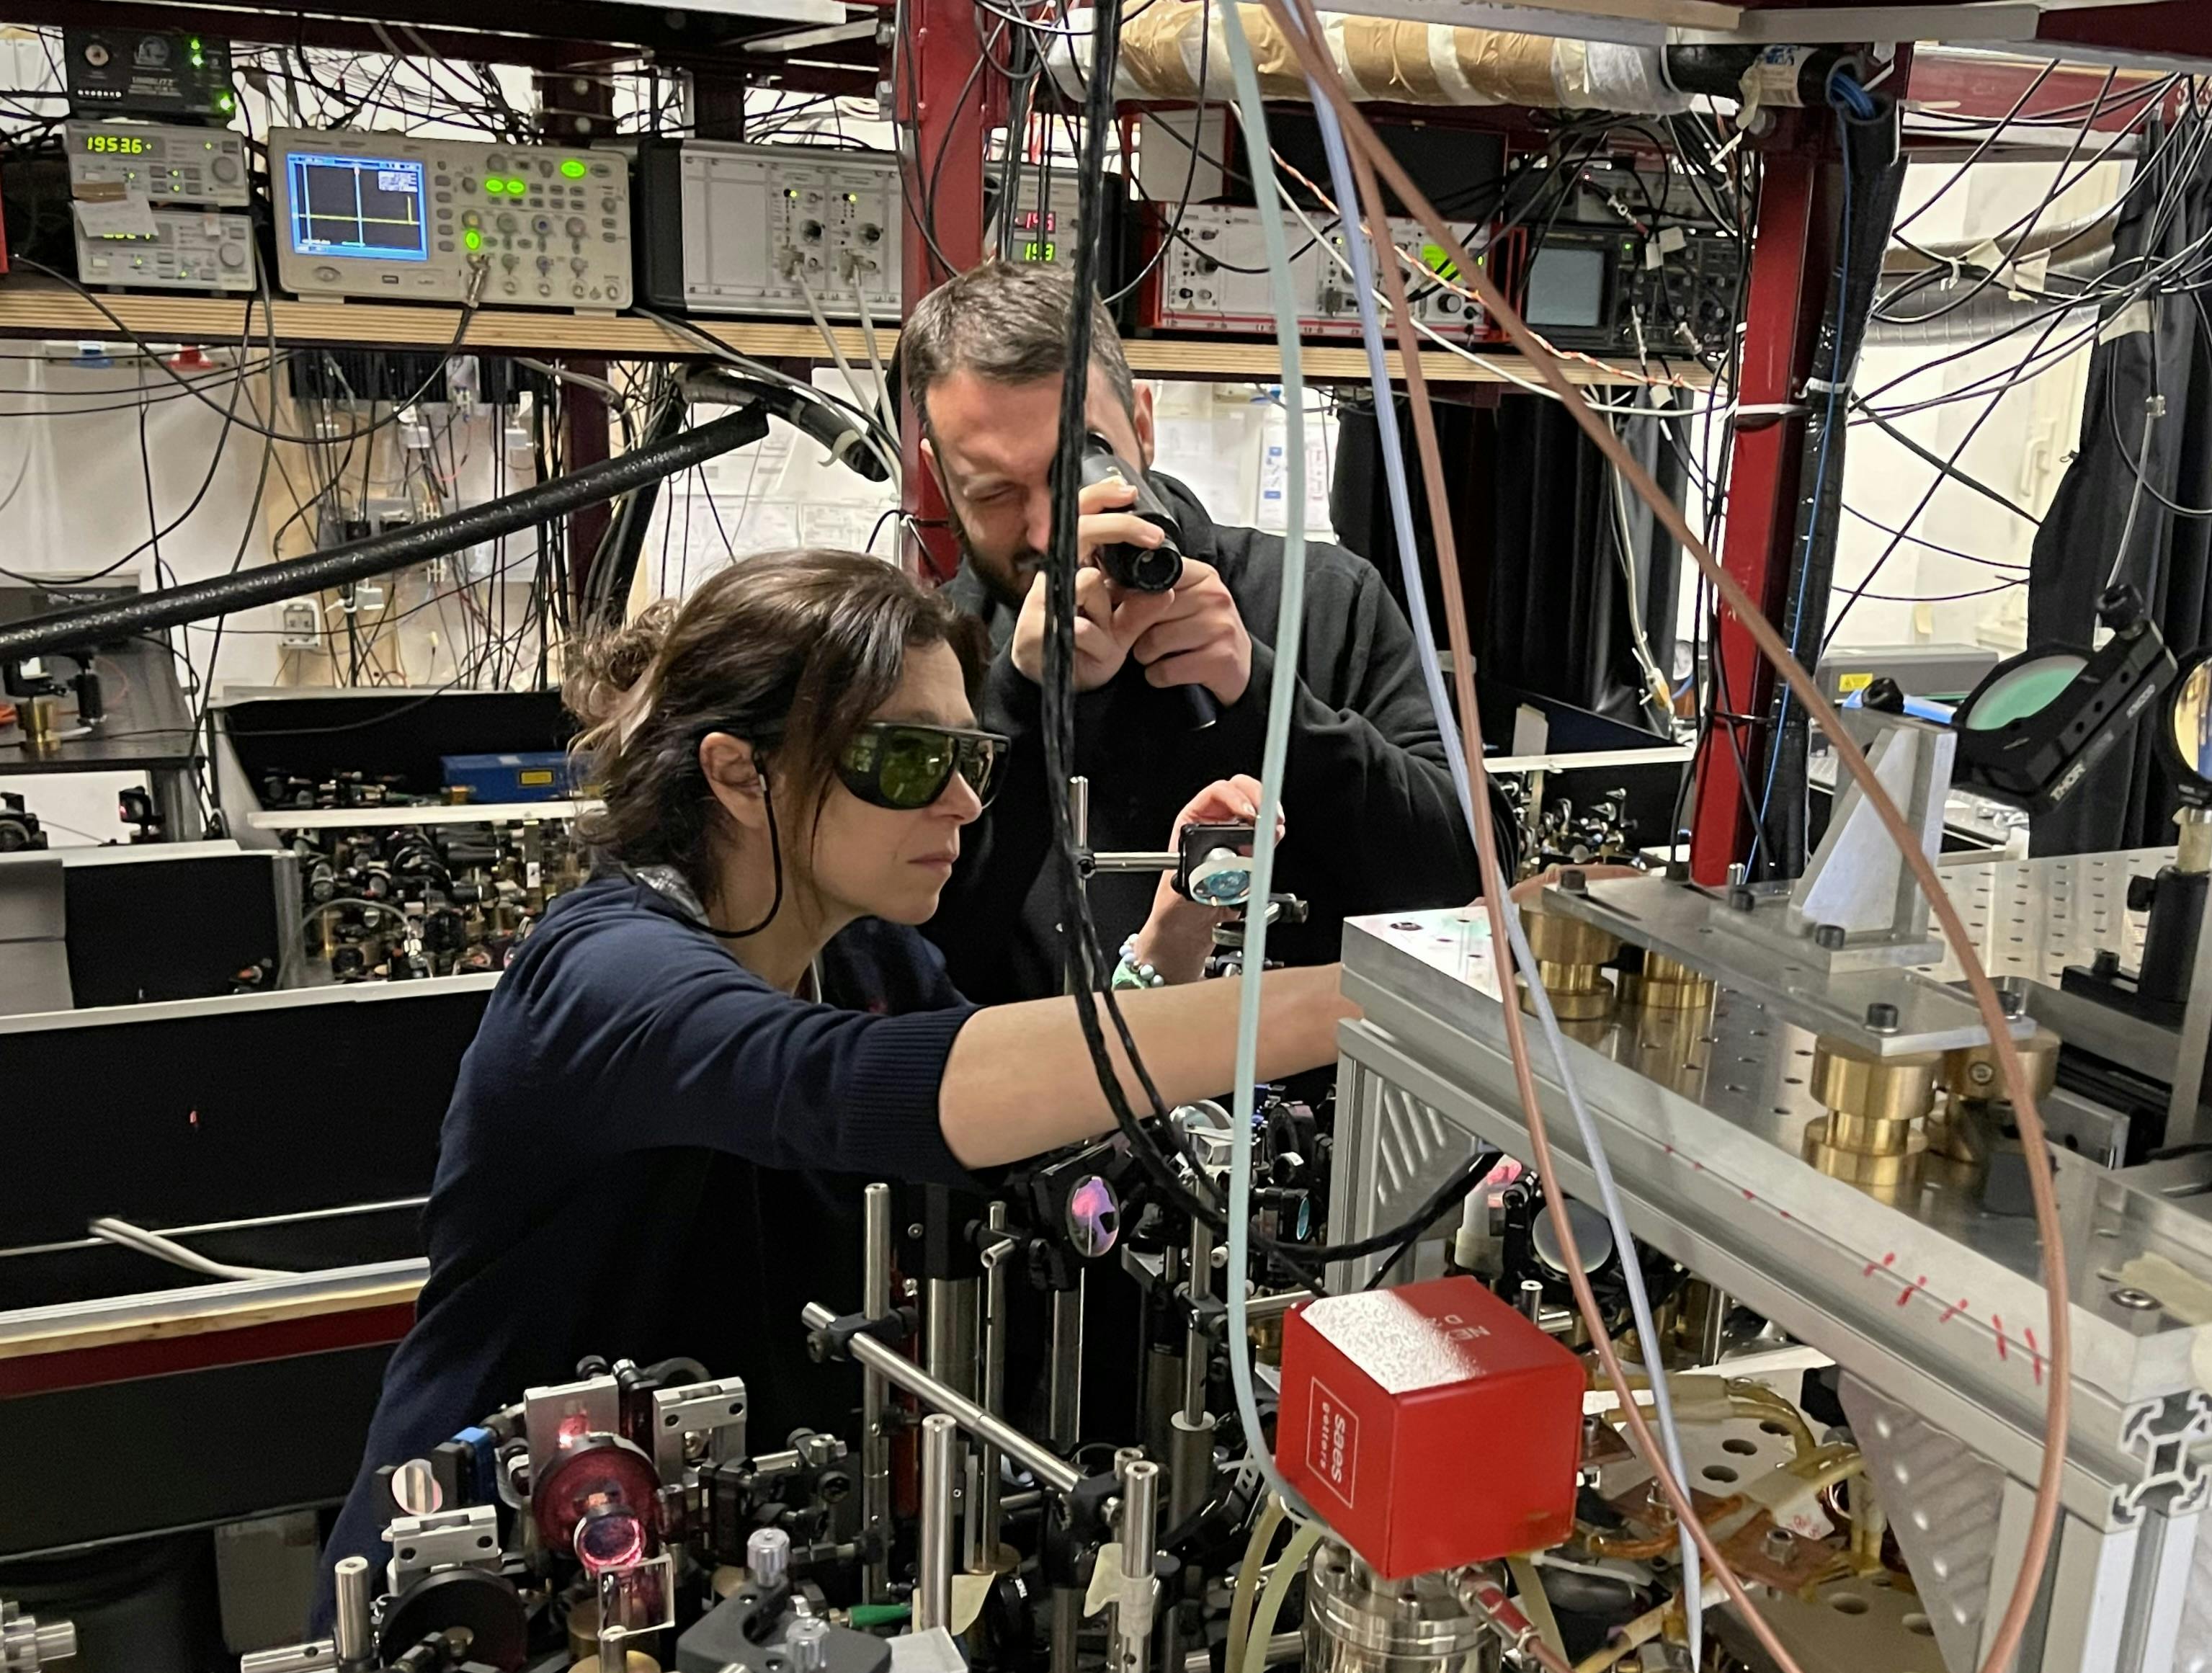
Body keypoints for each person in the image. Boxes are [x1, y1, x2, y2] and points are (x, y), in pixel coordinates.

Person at [319, 550, 1348, 1585]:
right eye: (905, 760)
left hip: (701, 1574)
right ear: (736, 772)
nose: (961, 802)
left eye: (971, 759)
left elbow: (1020, 1124)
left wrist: (1170, 940)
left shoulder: (858, 953)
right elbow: (858, 1086)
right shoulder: (603, 977)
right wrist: (1348, 1004)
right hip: (477, 1588)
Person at [898, 258, 1499, 1004]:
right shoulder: (931, 655)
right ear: (936, 475)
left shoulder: (1321, 601)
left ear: (1142, 427)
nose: (1053, 530)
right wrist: (1020, 709)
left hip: (1296, 1099)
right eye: (991, 492)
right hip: (1031, 1102)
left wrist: (1267, 700)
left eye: (1076, 466)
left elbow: (1460, 875)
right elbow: (905, 963)